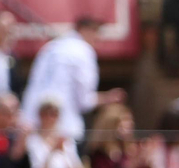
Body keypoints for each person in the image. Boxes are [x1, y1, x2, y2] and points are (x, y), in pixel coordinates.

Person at [20, 16, 122, 144]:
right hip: (64, 128)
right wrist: (107, 98)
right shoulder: (83, 50)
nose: (98, 38)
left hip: (30, 123)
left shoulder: (50, 47)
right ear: (84, 30)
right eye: (96, 31)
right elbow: (84, 101)